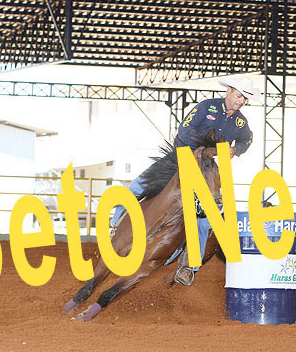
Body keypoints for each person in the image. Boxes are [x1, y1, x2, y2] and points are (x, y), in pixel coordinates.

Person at [111, 76, 260, 285]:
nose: (241, 101)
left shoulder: (240, 122)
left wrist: (237, 149)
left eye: (244, 98)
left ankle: (189, 267)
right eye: (239, 95)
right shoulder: (207, 107)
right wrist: (205, 148)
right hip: (179, 158)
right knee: (139, 184)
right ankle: (116, 223)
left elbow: (248, 138)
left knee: (204, 219)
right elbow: (185, 129)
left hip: (205, 169)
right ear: (229, 91)